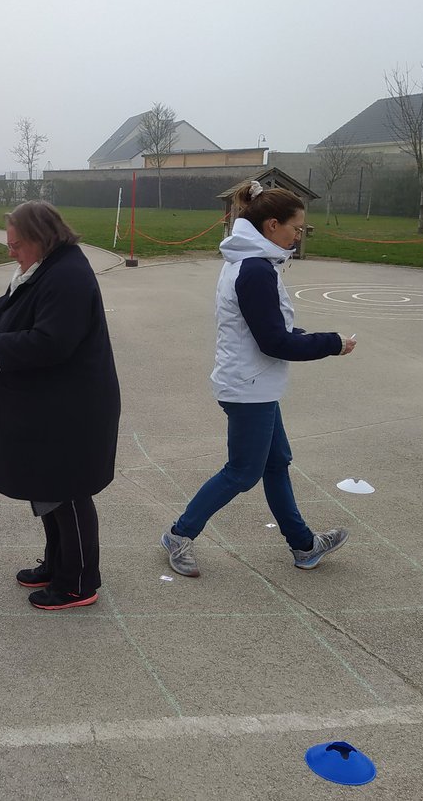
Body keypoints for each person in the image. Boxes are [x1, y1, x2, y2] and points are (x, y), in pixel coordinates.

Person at [160, 180, 357, 577]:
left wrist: (305, 337)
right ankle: (179, 535)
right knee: (243, 471)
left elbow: (267, 329)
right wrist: (331, 343)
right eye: (296, 228)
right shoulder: (254, 270)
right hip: (248, 387)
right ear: (271, 225)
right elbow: (273, 342)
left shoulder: (253, 263)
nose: (299, 236)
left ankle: (304, 546)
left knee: (276, 463)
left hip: (255, 384)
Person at [0, 201, 120, 611]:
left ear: (40, 238)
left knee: (67, 491)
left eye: (15, 245)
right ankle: (56, 564)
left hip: (72, 406)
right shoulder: (47, 265)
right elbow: (15, 301)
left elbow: (51, 342)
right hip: (53, 402)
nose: (10, 251)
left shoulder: (68, 275)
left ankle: (79, 582)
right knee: (48, 486)